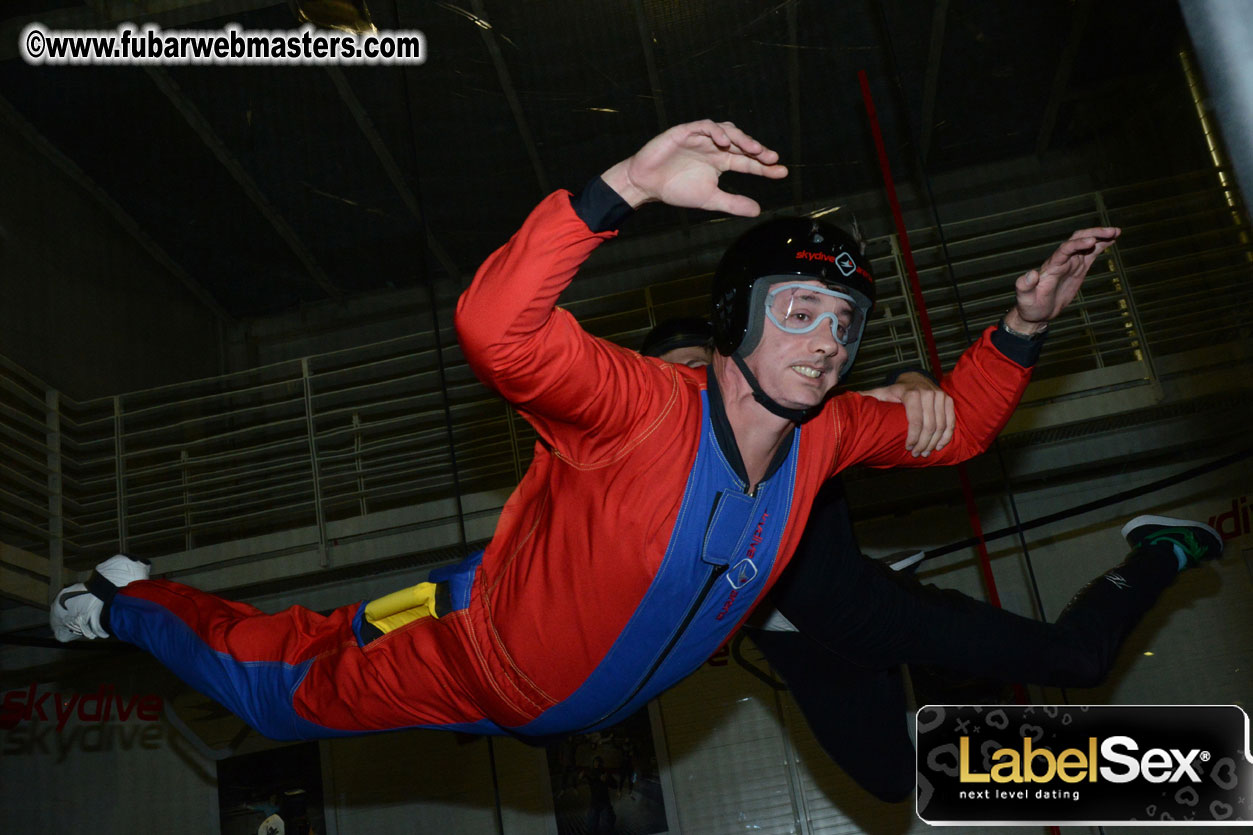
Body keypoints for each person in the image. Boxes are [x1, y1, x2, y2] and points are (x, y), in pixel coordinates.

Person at [50, 121, 1221, 752]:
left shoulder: (824, 438)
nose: (822, 342)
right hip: (477, 659)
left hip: (549, 691)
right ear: (734, 325)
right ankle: (124, 599)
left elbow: (959, 428)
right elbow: (496, 328)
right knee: (268, 693)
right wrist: (619, 187)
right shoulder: (642, 407)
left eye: (843, 323)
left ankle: (213, 611)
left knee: (325, 638)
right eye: (796, 312)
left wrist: (1018, 330)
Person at [640, 317, 934, 801]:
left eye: (700, 368)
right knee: (893, 782)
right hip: (793, 639)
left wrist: (912, 382)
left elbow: (888, 397)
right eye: (677, 375)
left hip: (845, 596)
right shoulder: (656, 467)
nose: (694, 383)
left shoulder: (796, 418)